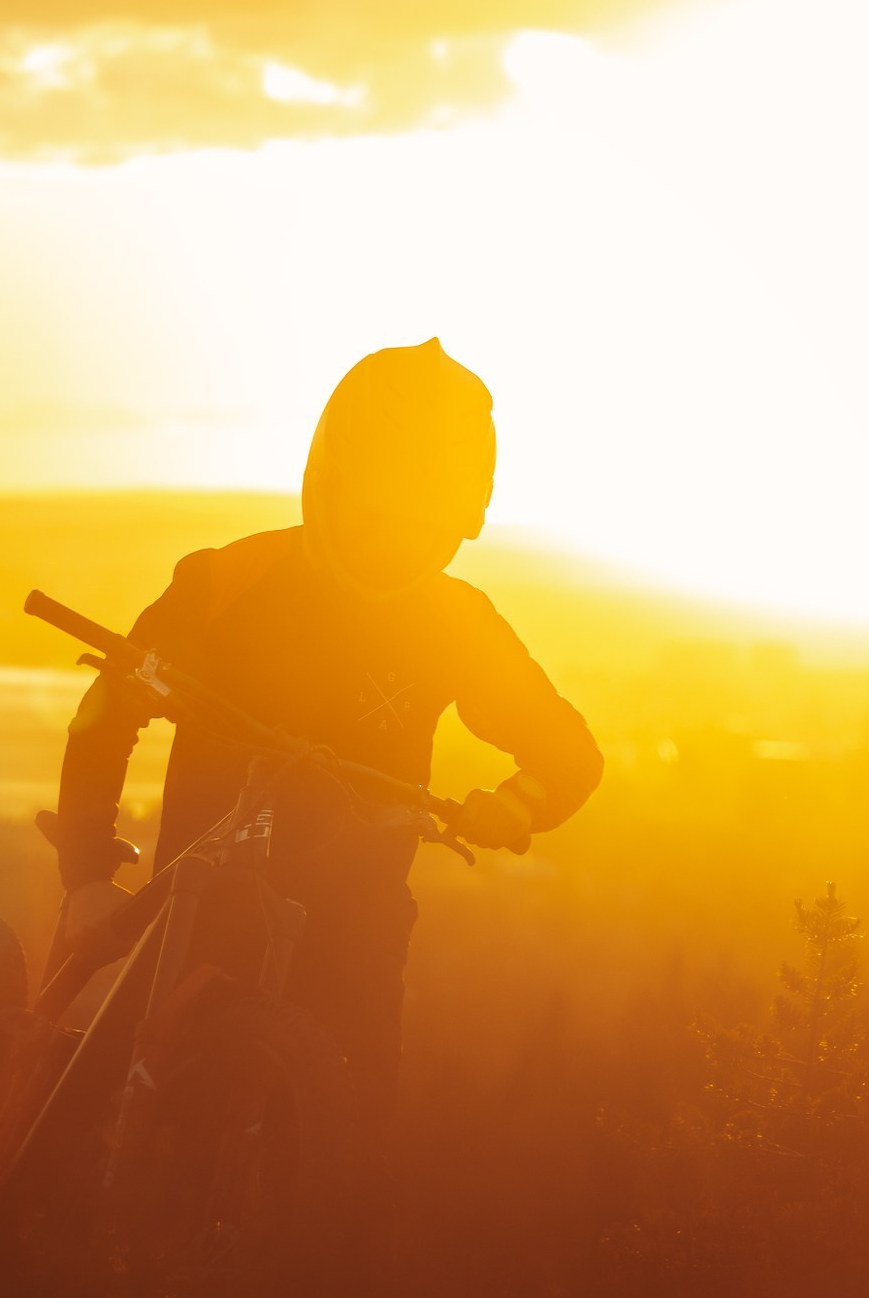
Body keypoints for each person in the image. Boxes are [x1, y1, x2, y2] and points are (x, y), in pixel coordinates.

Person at [51, 339, 603, 1119]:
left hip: (359, 940)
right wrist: (84, 876)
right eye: (385, 519)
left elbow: (570, 755)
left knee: (350, 1166)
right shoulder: (228, 582)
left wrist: (515, 803)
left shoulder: (458, 624)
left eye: (432, 527)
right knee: (99, 1118)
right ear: (332, 485)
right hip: (197, 910)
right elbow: (104, 715)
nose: (403, 546)